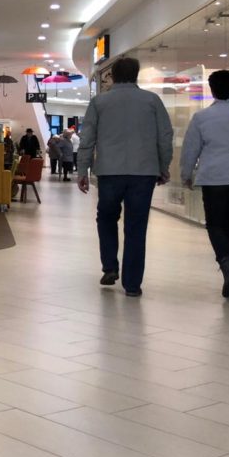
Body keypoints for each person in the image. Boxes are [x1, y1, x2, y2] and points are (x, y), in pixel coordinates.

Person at [77, 56, 173, 297]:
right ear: (136, 74)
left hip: (110, 171)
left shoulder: (99, 102)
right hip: (143, 172)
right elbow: (165, 136)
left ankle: (110, 266)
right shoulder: (152, 101)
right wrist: (163, 166)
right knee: (136, 226)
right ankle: (132, 284)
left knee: (106, 218)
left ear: (113, 76)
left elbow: (87, 139)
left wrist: (82, 170)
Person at [179, 70, 229, 298]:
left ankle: (225, 261)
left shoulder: (202, 118)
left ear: (213, 90)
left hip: (214, 179)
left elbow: (190, 150)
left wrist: (186, 175)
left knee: (215, 224)